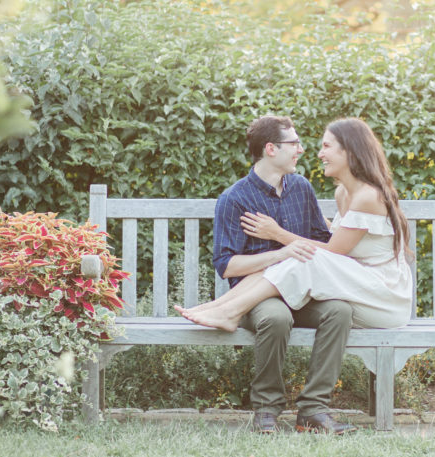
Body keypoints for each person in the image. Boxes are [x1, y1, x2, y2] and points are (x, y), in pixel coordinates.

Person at [176, 117, 413, 432]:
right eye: (295, 144)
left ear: (350, 152)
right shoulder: (235, 198)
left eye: (324, 146)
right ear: (271, 149)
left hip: (318, 288)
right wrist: (280, 253)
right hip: (260, 298)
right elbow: (226, 265)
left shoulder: (303, 188)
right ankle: (266, 410)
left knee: (338, 309)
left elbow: (327, 248)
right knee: (277, 314)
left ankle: (314, 410)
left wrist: (280, 238)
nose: (307, 151)